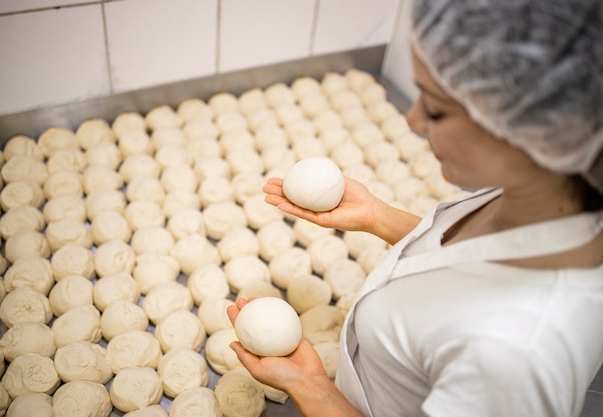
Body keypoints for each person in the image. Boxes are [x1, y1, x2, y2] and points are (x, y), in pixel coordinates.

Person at [227, 1, 603, 416]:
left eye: (436, 108)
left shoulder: (516, 356)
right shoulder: (548, 195)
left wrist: (311, 387)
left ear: (537, 133)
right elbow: (465, 262)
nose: (411, 119)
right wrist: (376, 216)